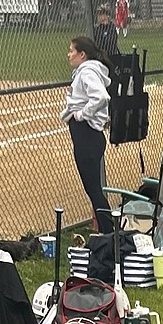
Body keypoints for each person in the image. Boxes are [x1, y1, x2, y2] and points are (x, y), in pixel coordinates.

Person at [61, 36, 114, 234]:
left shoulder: (87, 72)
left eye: (72, 51)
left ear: (82, 54)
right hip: (88, 136)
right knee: (93, 189)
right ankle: (107, 231)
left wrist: (82, 114)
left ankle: (109, 233)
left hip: (87, 135)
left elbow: (101, 97)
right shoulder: (86, 71)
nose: (69, 55)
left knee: (93, 190)